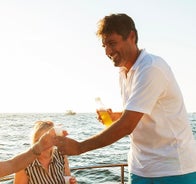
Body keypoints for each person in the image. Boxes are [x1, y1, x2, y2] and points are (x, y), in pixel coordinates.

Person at [55, 13, 196, 184]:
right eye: (104, 46)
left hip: (173, 170)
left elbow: (128, 124)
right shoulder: (123, 72)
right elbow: (141, 110)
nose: (107, 51)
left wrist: (79, 147)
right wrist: (116, 116)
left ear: (132, 37)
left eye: (112, 43)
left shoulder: (151, 67)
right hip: (139, 169)